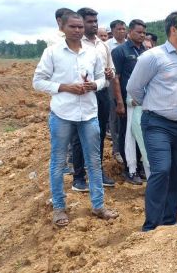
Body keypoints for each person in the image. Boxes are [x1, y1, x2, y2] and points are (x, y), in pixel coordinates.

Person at [33, 12, 118, 227]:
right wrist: (64, 87)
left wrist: (95, 85)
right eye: (73, 26)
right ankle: (59, 208)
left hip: (88, 113)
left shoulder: (92, 53)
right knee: (59, 161)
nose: (78, 30)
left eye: (80, 26)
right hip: (62, 113)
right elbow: (38, 81)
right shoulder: (52, 52)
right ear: (62, 27)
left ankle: (99, 206)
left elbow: (102, 79)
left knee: (94, 160)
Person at [127, 11, 177, 232]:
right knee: (162, 170)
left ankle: (170, 221)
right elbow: (133, 88)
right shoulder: (153, 57)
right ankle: (151, 225)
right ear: (174, 30)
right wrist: (152, 105)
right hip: (157, 123)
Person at [70, 7, 117, 191]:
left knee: (98, 134)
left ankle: (97, 172)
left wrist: (109, 73)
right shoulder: (75, 44)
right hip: (81, 94)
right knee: (78, 136)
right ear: (80, 23)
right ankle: (79, 177)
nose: (94, 25)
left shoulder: (103, 45)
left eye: (95, 21)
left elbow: (111, 70)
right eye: (89, 21)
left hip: (101, 93)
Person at [111, 19, 147, 184]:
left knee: (141, 134)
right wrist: (120, 102)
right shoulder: (120, 51)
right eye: (139, 32)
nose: (142, 35)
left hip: (142, 103)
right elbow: (116, 78)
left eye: (144, 33)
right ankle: (129, 169)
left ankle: (139, 166)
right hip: (127, 102)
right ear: (130, 32)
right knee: (127, 135)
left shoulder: (145, 51)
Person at [106, 19, 127, 164]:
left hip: (127, 87)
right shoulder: (107, 46)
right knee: (115, 118)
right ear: (112, 31)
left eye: (123, 29)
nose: (121, 31)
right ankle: (117, 149)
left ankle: (127, 148)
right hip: (112, 85)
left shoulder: (129, 45)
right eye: (118, 29)